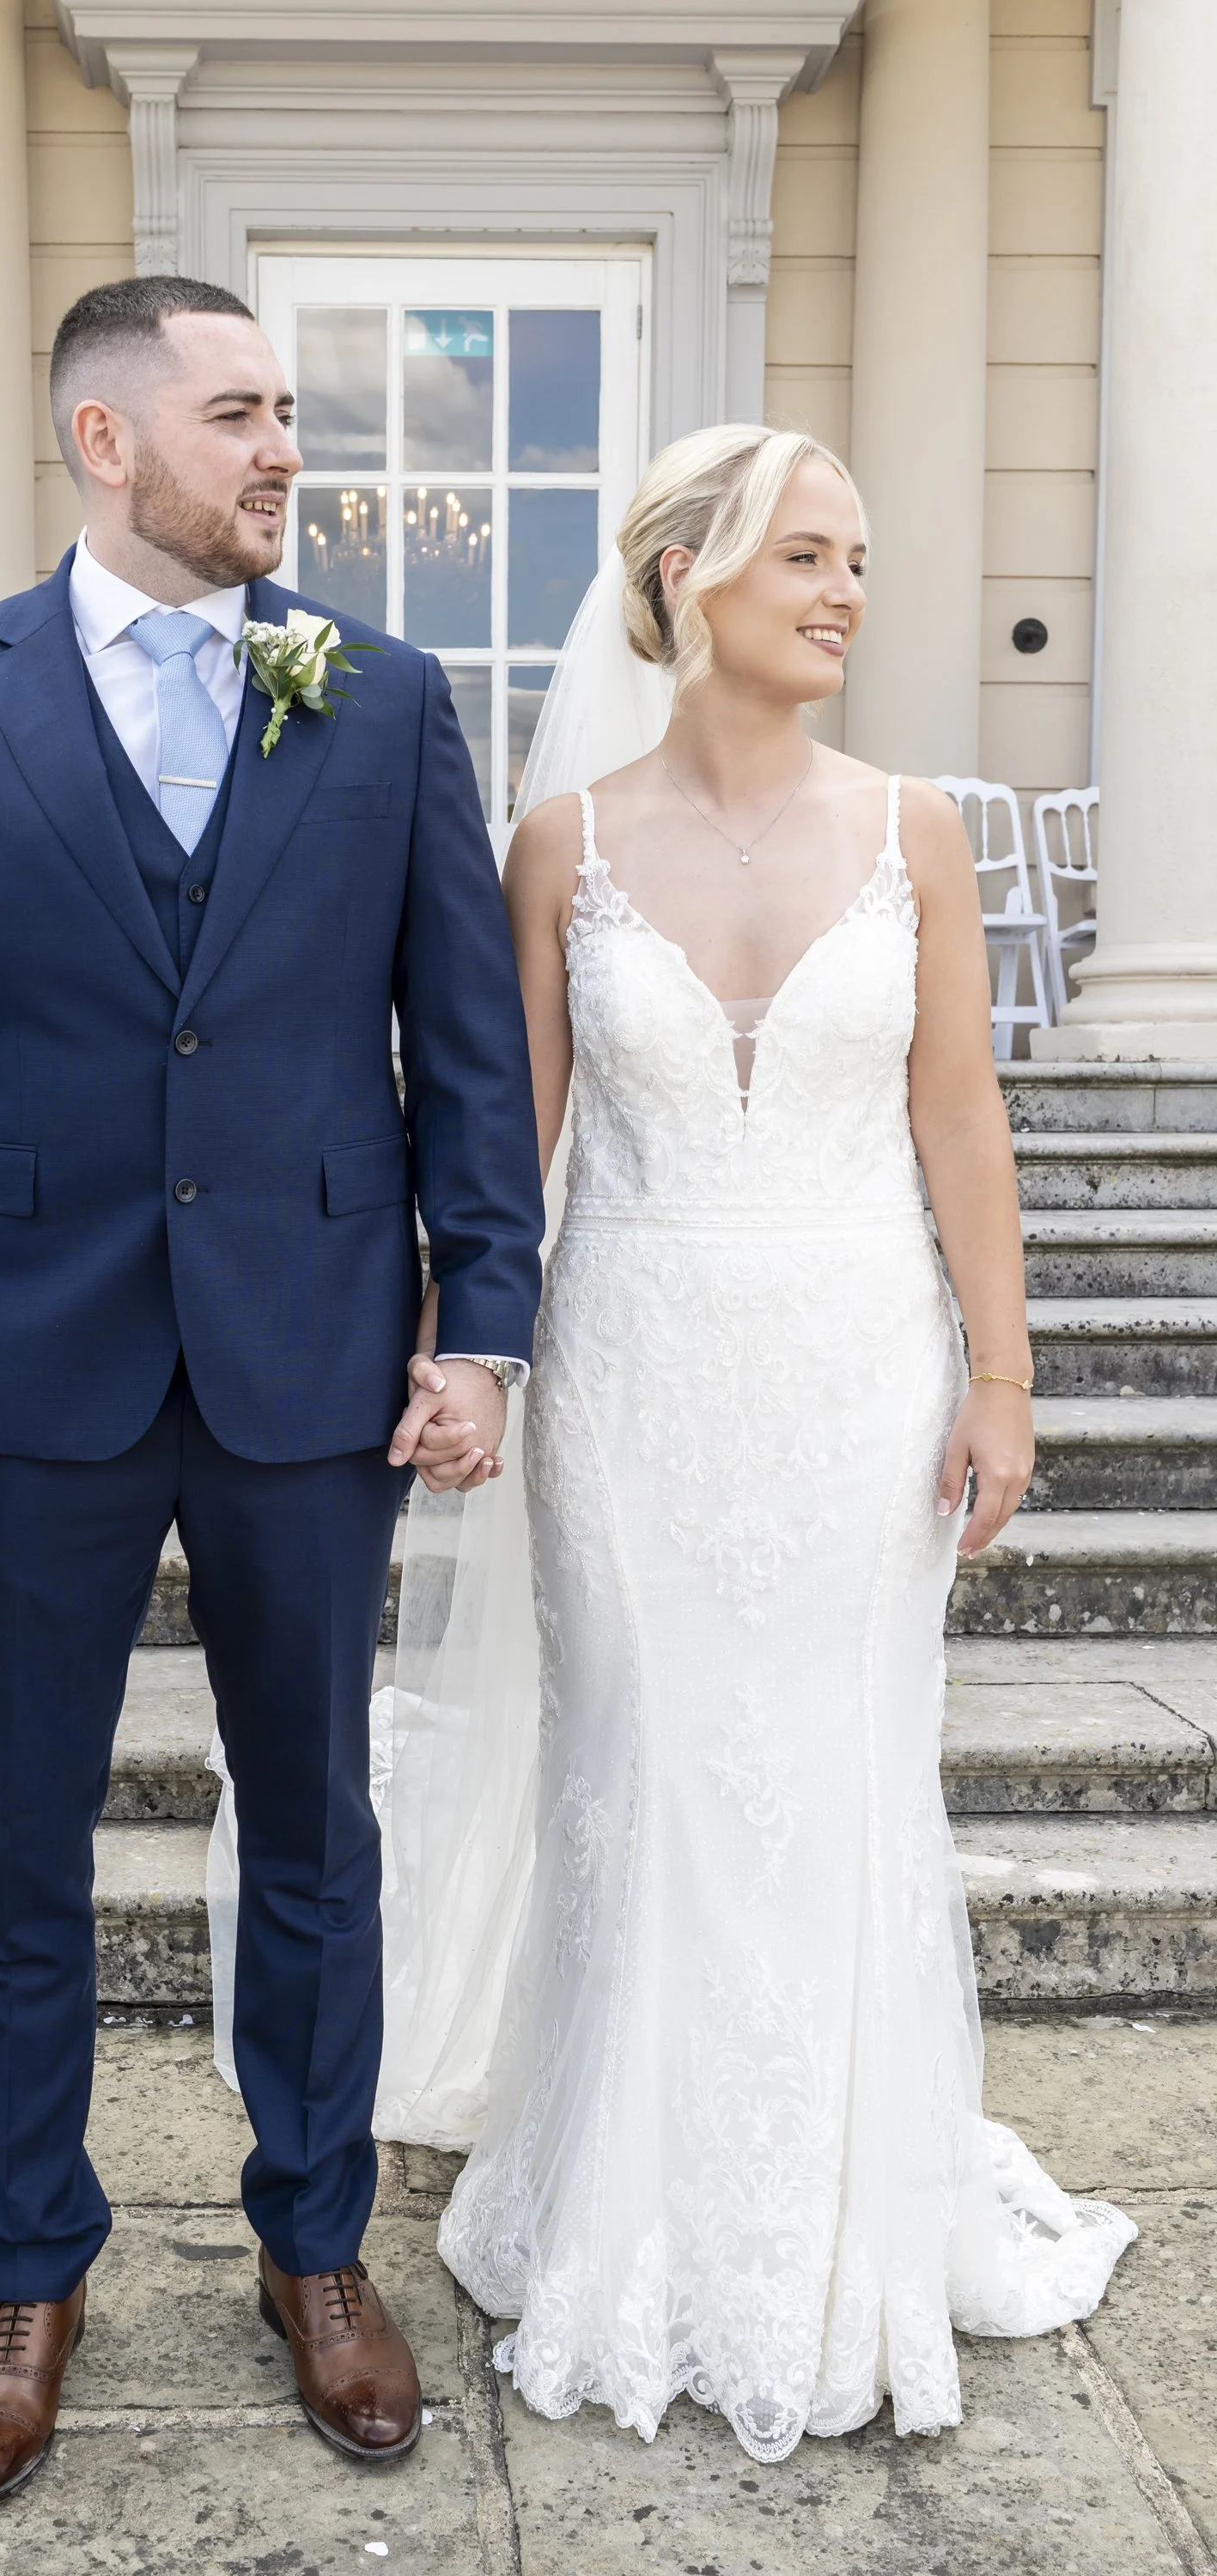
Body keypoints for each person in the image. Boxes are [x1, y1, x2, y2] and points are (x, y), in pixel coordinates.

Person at [0, 273, 544, 2511]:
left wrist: (479, 1320)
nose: (281, 450)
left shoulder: (386, 704)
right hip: (27, 1361)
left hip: (315, 1350)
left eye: (287, 411)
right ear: (106, 444)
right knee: (15, 1843)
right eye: (238, 416)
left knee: (317, 1823)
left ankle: (317, 2245)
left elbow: (467, 1054)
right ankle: (30, 2267)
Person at [367, 424, 1137, 2464]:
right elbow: (500, 1145)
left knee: (832, 1777)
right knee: (643, 1775)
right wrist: (472, 1360)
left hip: (854, 1366)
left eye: (860, 559)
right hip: (626, 1374)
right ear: (685, 575)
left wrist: (1003, 1378)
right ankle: (631, 2201)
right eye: (805, 552)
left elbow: (958, 1116)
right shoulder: (564, 847)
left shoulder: (918, 833)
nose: (846, 589)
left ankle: (834, 2223)